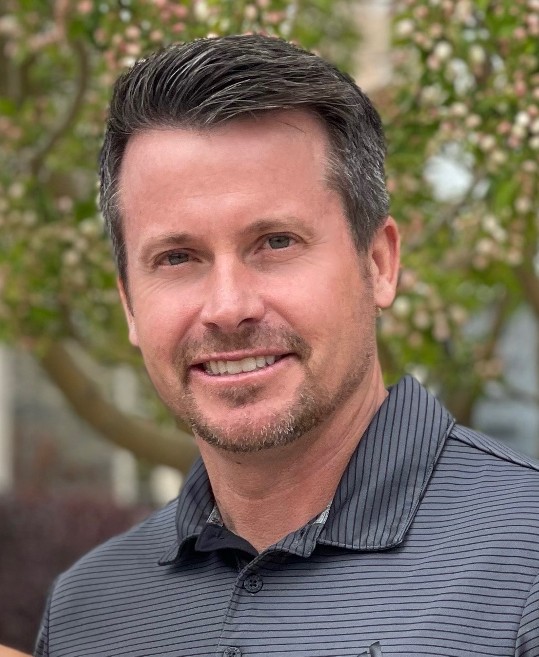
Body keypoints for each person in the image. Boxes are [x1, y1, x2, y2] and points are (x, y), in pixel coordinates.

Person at [35, 34, 539, 657]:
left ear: (379, 264)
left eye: (276, 242)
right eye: (177, 257)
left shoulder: (526, 563)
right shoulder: (86, 614)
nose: (228, 308)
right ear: (130, 304)